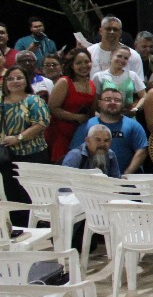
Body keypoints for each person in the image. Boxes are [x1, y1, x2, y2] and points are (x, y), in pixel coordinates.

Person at [0, 66, 51, 209]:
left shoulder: (34, 101)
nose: (15, 81)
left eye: (19, 78)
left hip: (33, 155)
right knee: (13, 197)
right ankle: (17, 222)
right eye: (10, 78)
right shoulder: (1, 101)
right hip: (7, 156)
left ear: (26, 81)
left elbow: (41, 124)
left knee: (31, 198)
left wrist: (18, 138)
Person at [68, 88, 148, 174]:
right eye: (107, 99)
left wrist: (126, 174)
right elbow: (75, 151)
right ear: (99, 103)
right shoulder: (87, 126)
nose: (112, 103)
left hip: (125, 178)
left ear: (123, 104)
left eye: (117, 100)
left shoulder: (134, 126)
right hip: (91, 178)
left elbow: (142, 151)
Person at [46, 47, 96, 163]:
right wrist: (76, 117)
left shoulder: (92, 84)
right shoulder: (64, 82)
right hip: (61, 135)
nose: (84, 65)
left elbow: (92, 112)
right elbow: (52, 108)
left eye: (87, 62)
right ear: (72, 66)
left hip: (80, 134)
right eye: (79, 63)